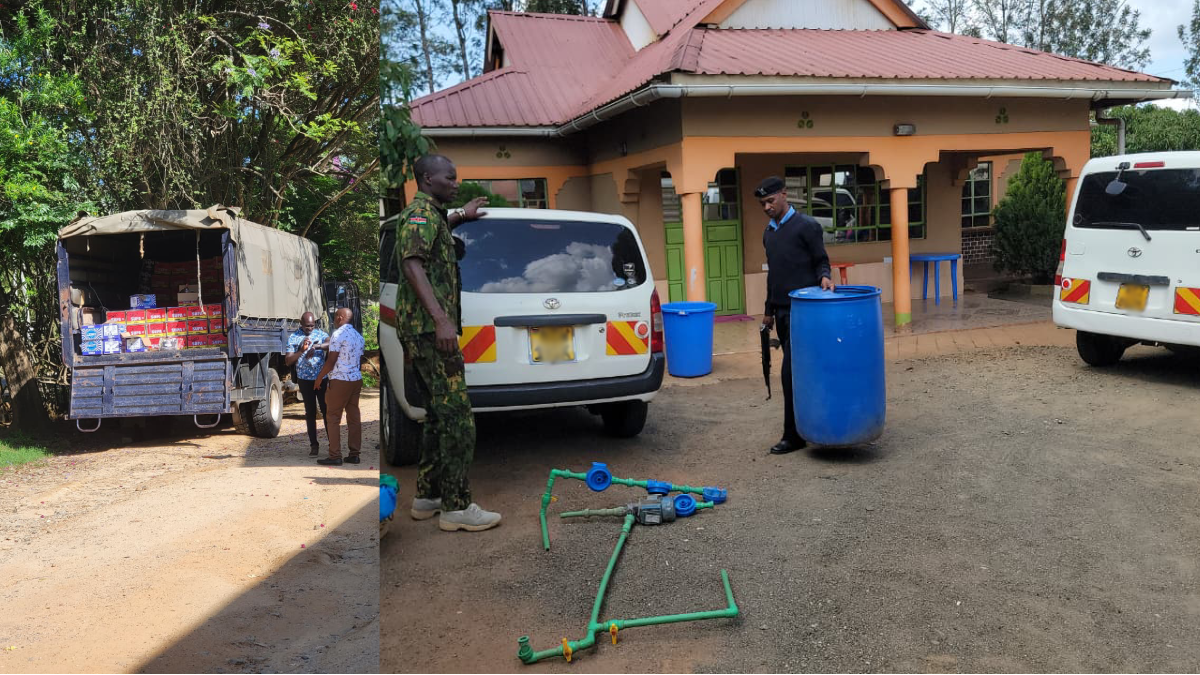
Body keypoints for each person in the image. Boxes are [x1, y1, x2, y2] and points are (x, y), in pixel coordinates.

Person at [395, 153, 501, 533]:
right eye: (450, 178)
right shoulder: (419, 216)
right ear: (426, 178)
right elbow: (412, 263)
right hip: (429, 330)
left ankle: (428, 496)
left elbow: (435, 232)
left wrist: (460, 215)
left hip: (420, 329)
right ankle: (457, 507)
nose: (456, 183)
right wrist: (441, 320)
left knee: (438, 417)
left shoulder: (430, 215)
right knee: (459, 418)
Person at [758, 175, 835, 455]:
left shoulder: (807, 226)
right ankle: (807, 426)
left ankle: (793, 436)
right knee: (801, 372)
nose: (766, 207)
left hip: (803, 312)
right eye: (762, 203)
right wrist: (768, 311)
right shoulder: (769, 233)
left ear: (784, 195)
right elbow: (774, 276)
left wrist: (825, 277)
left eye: (770, 200)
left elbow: (821, 260)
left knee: (789, 372)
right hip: (780, 314)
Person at [312, 308, 364, 466]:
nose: (334, 320)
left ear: (341, 318)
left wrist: (319, 377)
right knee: (353, 416)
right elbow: (359, 360)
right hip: (356, 380)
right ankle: (354, 454)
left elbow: (331, 360)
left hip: (340, 380)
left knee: (333, 417)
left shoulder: (338, 334)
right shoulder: (358, 336)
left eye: (335, 317)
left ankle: (335, 455)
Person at [285, 312, 330, 456]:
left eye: (312, 325)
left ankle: (332, 444)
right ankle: (314, 446)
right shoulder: (294, 337)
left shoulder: (320, 334)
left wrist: (317, 347)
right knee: (310, 413)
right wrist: (301, 350)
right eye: (307, 326)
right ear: (301, 324)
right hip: (305, 380)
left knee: (326, 411)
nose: (310, 328)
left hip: (321, 379)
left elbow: (331, 343)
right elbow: (288, 360)